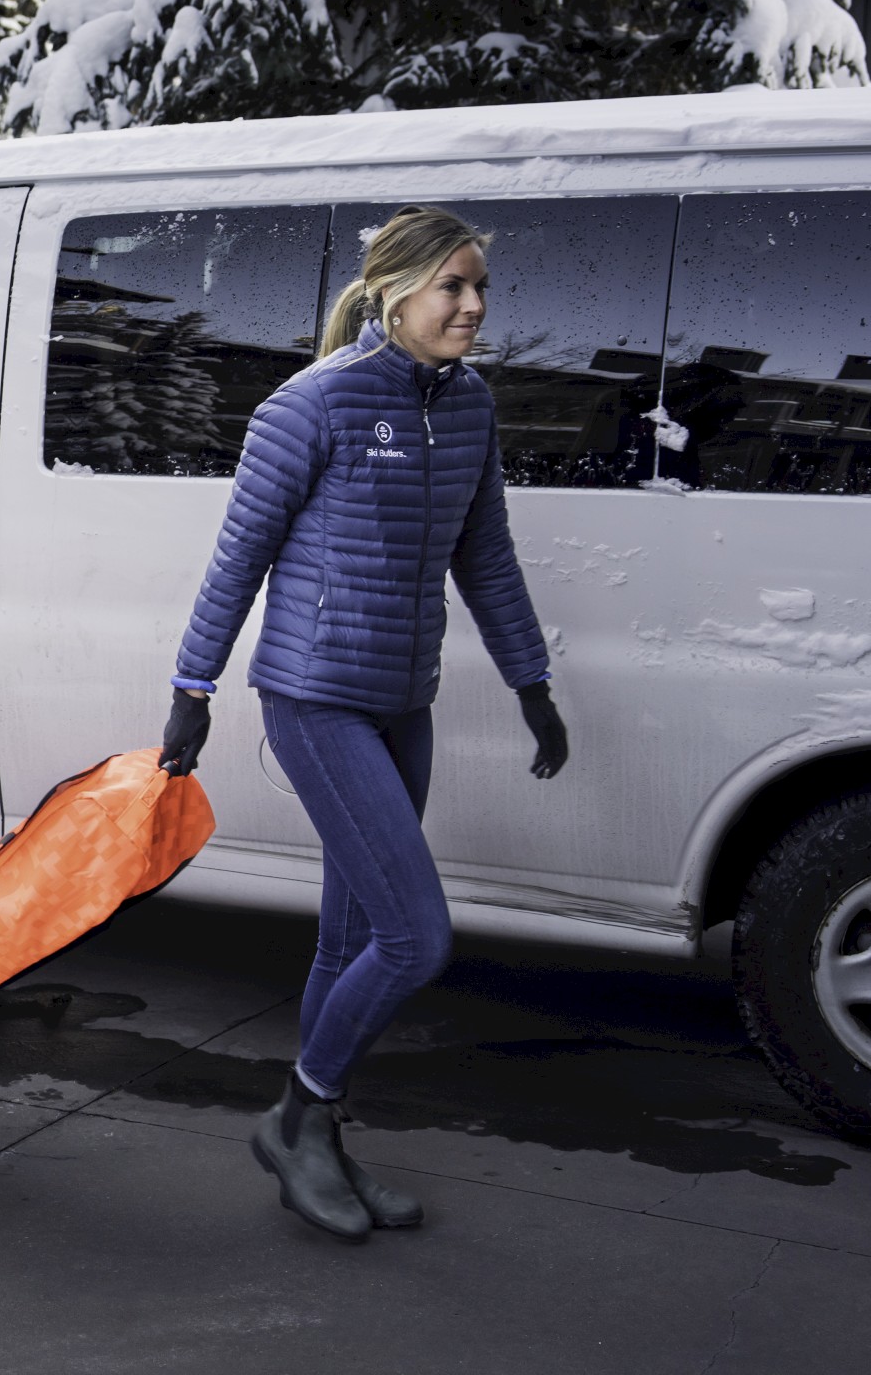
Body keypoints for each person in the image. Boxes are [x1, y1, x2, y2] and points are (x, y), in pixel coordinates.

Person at [158, 205, 568, 1242]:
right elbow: (237, 554)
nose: (474, 306)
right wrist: (193, 686)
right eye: (454, 287)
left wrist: (532, 681)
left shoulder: (468, 406)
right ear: (396, 294)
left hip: (403, 701)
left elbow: (487, 557)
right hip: (315, 696)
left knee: (351, 935)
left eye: (482, 287)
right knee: (415, 934)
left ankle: (321, 1135)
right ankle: (295, 1118)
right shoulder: (314, 405)